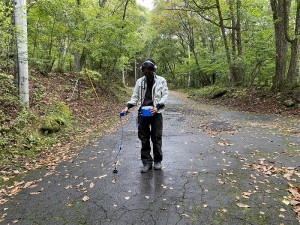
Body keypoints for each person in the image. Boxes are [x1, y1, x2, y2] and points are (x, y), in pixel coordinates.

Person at [122, 59, 169, 173]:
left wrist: (157, 107)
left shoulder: (161, 80)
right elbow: (135, 97)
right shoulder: (139, 82)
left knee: (156, 137)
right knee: (144, 138)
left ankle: (158, 160)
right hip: (142, 113)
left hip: (156, 113)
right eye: (145, 70)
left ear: (154, 70)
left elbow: (165, 95)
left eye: (149, 70)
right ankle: (147, 162)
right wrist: (128, 107)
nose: (147, 72)